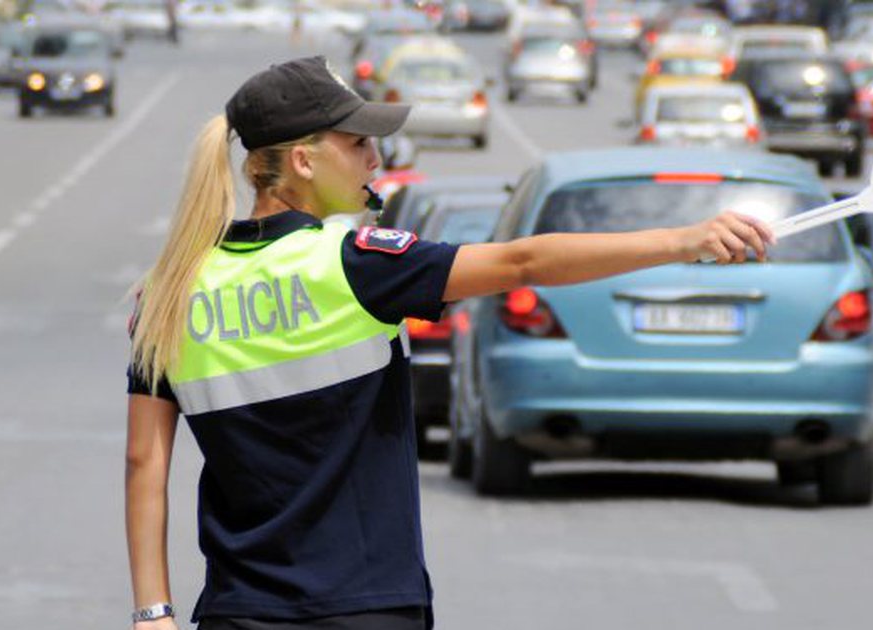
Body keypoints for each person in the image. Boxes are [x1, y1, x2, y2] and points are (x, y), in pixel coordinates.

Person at [124, 55, 774, 630]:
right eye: (359, 144)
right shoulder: (351, 264)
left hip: (240, 610)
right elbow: (522, 263)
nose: (376, 160)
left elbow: (143, 463)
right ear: (302, 160)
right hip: (363, 605)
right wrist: (683, 240)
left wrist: (153, 612)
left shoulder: (172, 288)